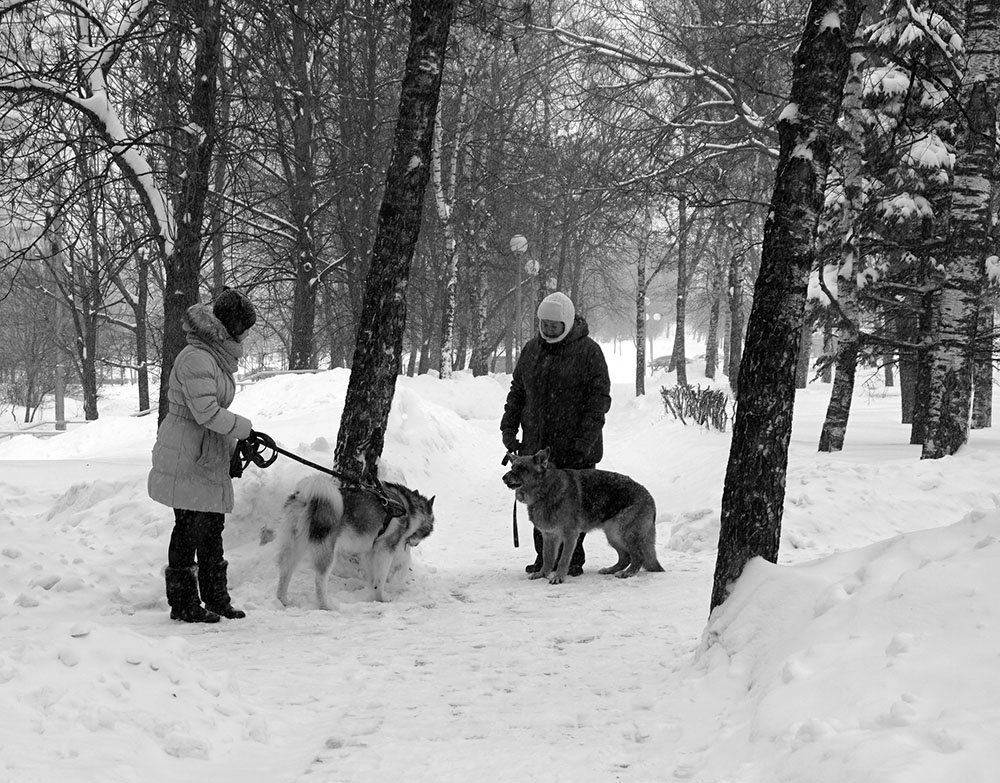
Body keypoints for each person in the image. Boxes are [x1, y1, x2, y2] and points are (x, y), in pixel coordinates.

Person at [148, 288, 256, 623]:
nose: (246, 335)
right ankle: (183, 604)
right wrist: (245, 429)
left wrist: (237, 444)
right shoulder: (198, 357)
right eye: (245, 328)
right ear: (230, 326)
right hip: (188, 452)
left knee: (211, 529)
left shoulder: (213, 355)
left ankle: (215, 599)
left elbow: (212, 413)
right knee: (189, 529)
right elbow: (207, 412)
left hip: (204, 452)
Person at [501, 291, 612, 575]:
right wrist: (509, 428)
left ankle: (572, 559)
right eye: (544, 323)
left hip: (576, 447)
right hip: (537, 444)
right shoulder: (531, 350)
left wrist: (582, 443)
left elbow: (598, 401)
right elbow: (517, 392)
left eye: (555, 324)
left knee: (570, 507)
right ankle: (544, 558)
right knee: (538, 501)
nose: (548, 329)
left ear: (568, 321)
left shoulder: (589, 352)